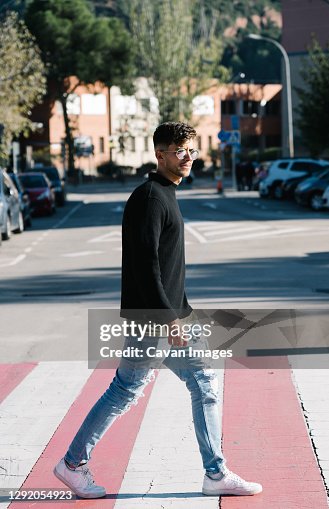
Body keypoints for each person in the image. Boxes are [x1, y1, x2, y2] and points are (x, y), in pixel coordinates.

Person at [53, 122, 262, 499]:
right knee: (126, 390)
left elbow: (165, 265)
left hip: (170, 313)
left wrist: (182, 312)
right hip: (155, 318)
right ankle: (72, 464)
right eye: (179, 150)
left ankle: (216, 472)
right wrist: (170, 319)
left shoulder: (165, 193)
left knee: (204, 385)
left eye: (191, 150)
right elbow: (146, 264)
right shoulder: (150, 197)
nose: (187, 157)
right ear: (160, 153)